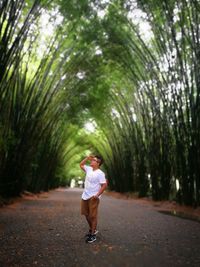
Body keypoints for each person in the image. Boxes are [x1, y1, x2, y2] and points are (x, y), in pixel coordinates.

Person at [80, 155, 107, 243]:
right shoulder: (88, 169)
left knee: (93, 216)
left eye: (94, 160)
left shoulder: (100, 173)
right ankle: (92, 229)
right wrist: (87, 158)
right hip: (85, 195)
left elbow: (104, 185)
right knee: (86, 214)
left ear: (98, 163)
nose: (91, 161)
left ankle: (93, 235)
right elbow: (81, 165)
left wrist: (97, 195)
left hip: (93, 197)